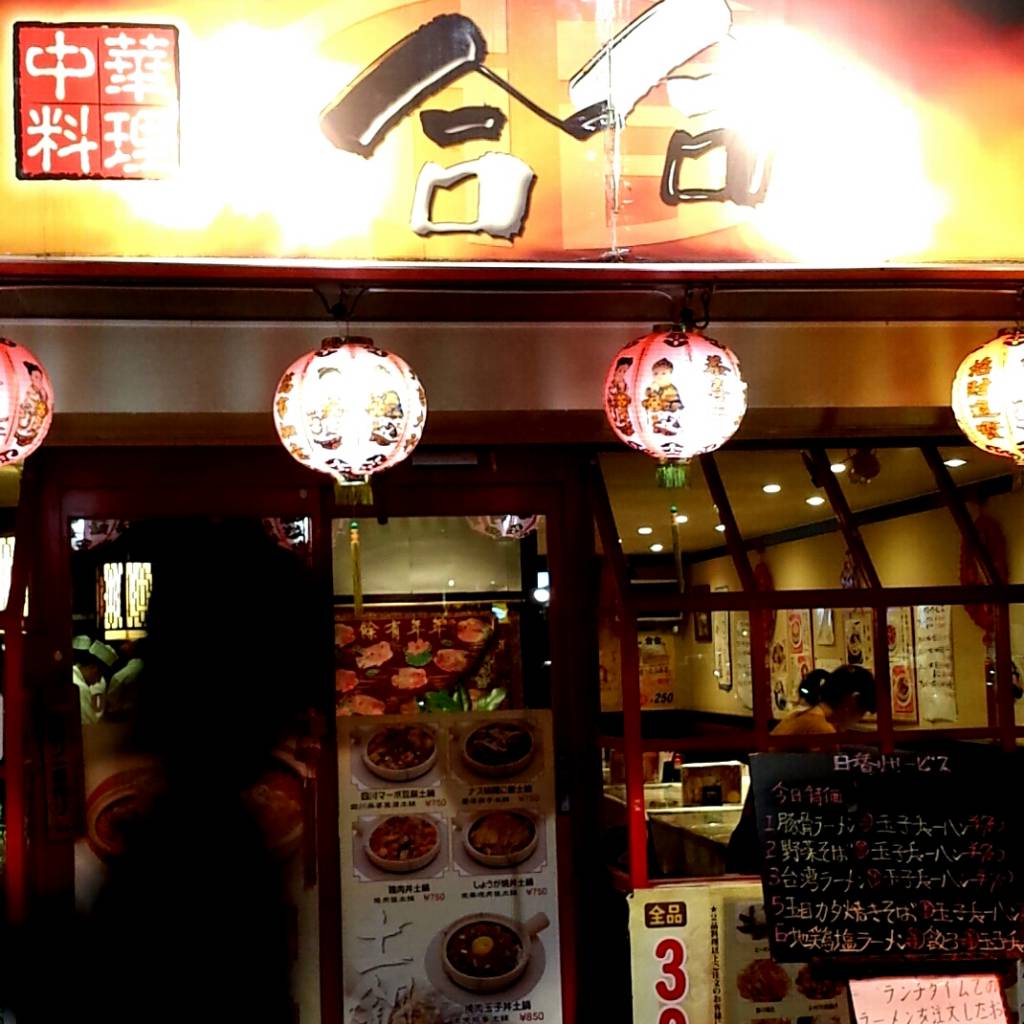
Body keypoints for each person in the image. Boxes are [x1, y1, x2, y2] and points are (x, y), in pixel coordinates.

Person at [724, 664, 877, 874]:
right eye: (863, 712)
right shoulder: (821, 730)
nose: (857, 721)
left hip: (753, 832)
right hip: (770, 840)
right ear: (853, 700)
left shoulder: (797, 718)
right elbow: (830, 798)